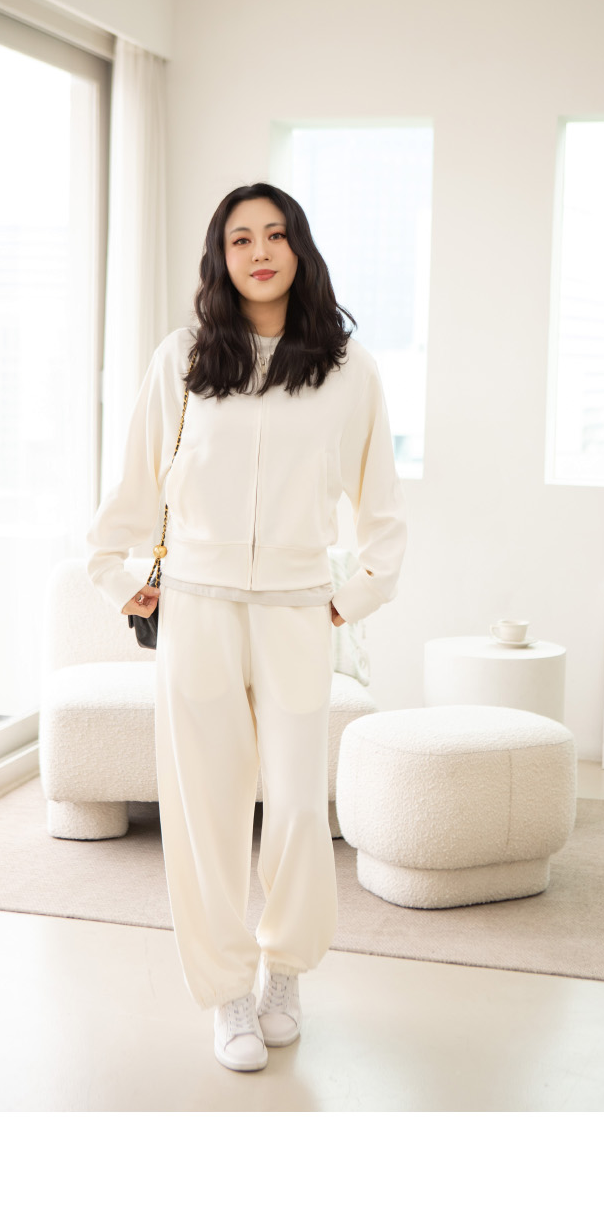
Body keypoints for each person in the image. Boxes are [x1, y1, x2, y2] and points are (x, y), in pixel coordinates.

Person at [87, 180, 405, 1073]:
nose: (259, 251)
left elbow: (381, 505)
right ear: (220, 257)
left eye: (275, 234)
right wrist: (117, 575)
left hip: (298, 610)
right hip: (198, 607)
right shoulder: (184, 358)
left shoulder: (346, 368)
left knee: (298, 807)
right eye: (240, 239)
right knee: (206, 810)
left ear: (299, 247)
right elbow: (135, 483)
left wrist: (359, 592)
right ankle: (226, 989)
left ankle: (284, 972)